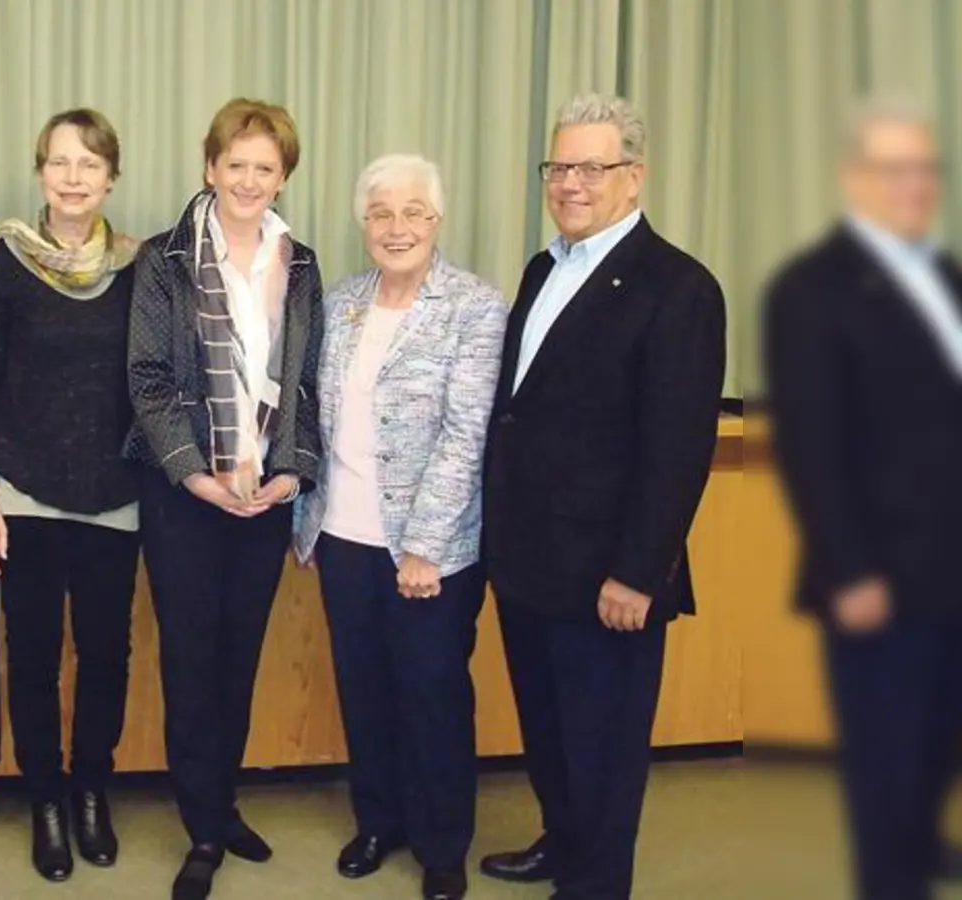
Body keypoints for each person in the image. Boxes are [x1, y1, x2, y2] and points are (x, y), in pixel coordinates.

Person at [477, 93, 725, 900]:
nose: (571, 184)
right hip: (529, 562)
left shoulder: (679, 287)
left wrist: (638, 572)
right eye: (559, 166)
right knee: (550, 734)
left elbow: (678, 447)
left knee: (604, 748)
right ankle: (563, 842)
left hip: (606, 575)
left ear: (634, 176)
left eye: (592, 167)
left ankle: (596, 885)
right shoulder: (544, 267)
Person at [124, 97, 324, 900]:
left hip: (265, 496)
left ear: (283, 178)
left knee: (238, 660)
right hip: (186, 495)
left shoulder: (300, 262)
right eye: (235, 164)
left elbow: (307, 383)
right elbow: (146, 377)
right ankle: (203, 827)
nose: (249, 179)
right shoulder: (163, 260)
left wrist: (294, 470)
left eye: (265, 168)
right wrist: (195, 474)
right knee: (192, 658)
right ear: (210, 168)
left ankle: (222, 801)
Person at [293, 154, 506, 900]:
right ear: (363, 224)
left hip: (430, 549)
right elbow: (316, 416)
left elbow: (465, 432)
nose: (397, 227)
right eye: (381, 213)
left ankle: (443, 842)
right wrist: (309, 521)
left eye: (413, 211)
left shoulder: (475, 308)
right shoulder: (344, 301)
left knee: (432, 691)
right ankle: (378, 821)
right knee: (365, 688)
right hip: (344, 538)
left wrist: (422, 546)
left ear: (437, 221)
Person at [764, 97, 962, 900]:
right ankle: (893, 872)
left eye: (924, 168)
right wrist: (849, 571)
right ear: (854, 177)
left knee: (939, 740)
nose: (912, 184)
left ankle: (915, 840)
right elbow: (812, 445)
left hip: (952, 565)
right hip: (880, 575)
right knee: (885, 756)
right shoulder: (812, 289)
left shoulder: (944, 273)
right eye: (892, 168)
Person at [0, 108, 140, 882]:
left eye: (89, 164)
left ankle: (90, 790)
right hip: (24, 492)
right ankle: (44, 800)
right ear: (40, 173)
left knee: (107, 654)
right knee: (32, 656)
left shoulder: (141, 265)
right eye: (60, 163)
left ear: (110, 178)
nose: (74, 178)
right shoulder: (3, 261)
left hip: (116, 494)